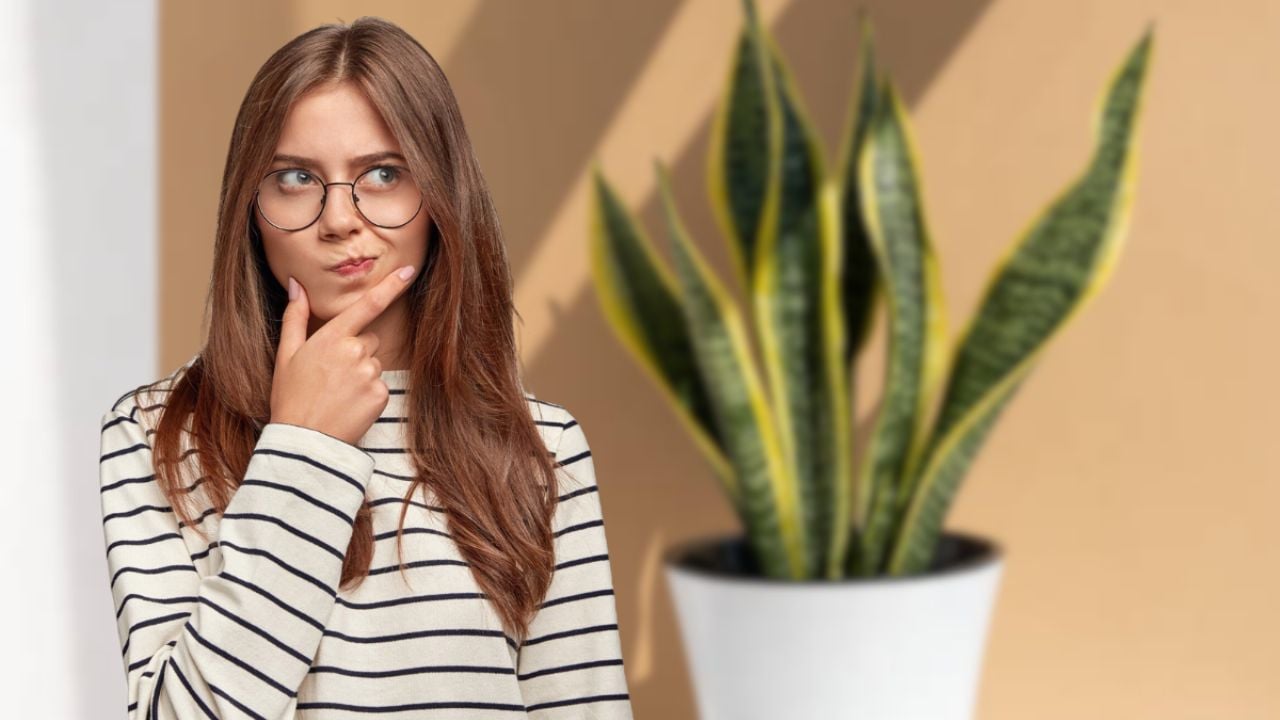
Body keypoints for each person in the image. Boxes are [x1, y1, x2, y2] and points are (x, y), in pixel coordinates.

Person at [98, 16, 633, 719]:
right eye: (296, 178)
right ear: (249, 210)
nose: (340, 219)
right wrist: (303, 449)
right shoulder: (155, 434)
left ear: (441, 197)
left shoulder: (543, 449)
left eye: (383, 173)